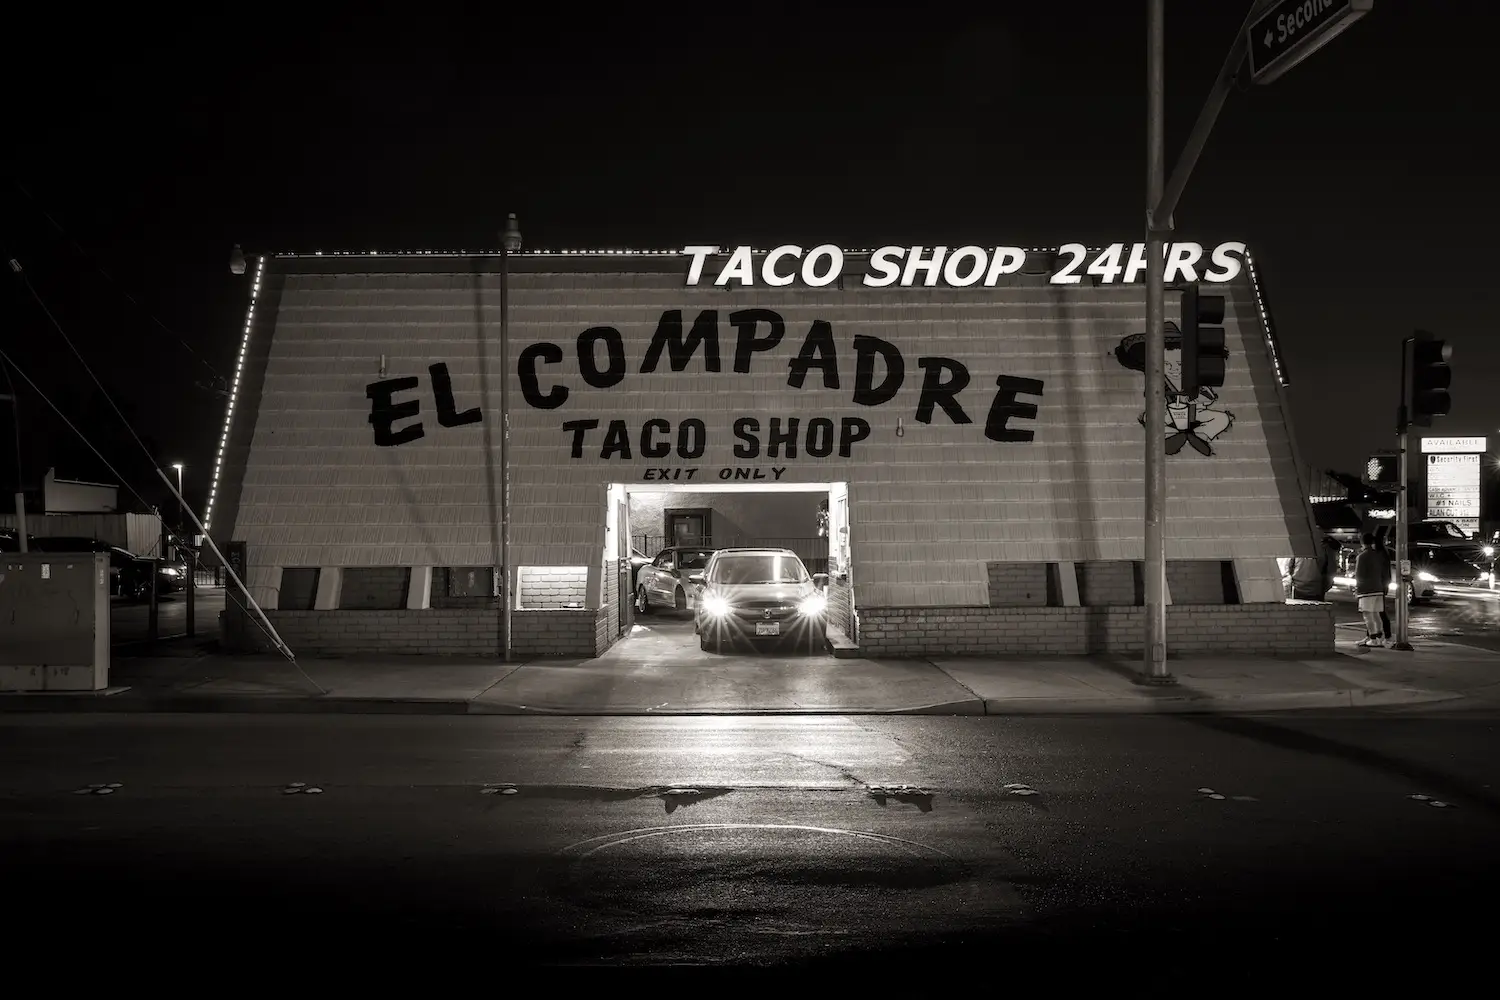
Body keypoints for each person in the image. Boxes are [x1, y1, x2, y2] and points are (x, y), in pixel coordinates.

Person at [1353, 533, 1391, 649]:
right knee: (1376, 614)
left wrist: (1357, 590)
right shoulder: (1379, 555)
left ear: (1362, 542)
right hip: (1378, 588)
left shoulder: (1362, 556)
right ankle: (1379, 638)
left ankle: (1373, 639)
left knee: (1367, 615)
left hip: (1367, 590)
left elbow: (1359, 575)